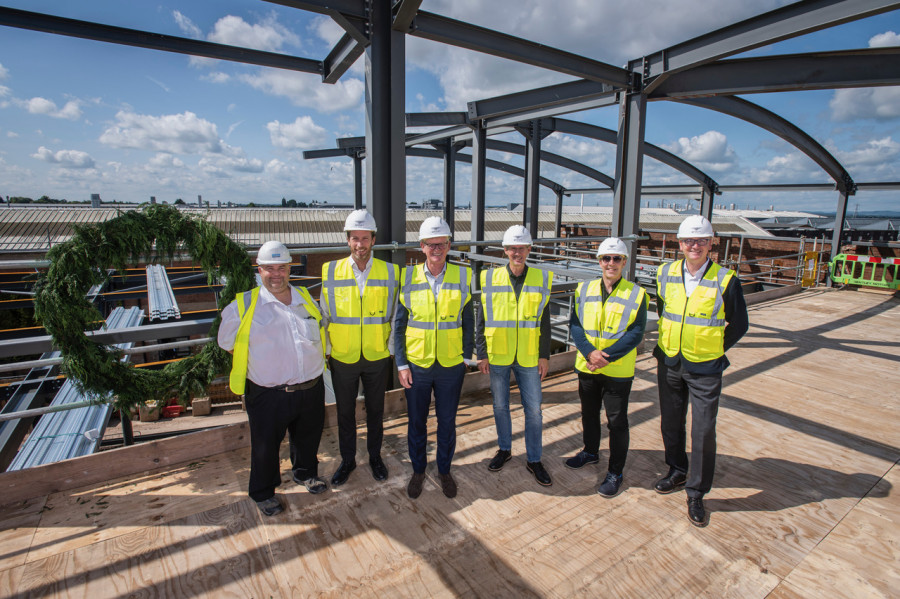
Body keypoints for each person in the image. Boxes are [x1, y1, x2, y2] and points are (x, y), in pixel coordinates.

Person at [218, 240, 328, 517]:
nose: (276, 274)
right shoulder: (244, 305)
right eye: (270, 268)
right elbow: (226, 342)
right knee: (265, 446)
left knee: (308, 438)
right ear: (259, 269)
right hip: (269, 393)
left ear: (290, 268)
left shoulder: (304, 297)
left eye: (282, 267)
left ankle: (305, 474)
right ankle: (263, 492)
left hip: (311, 387)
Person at [654, 215, 748, 527]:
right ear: (679, 244)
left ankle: (696, 491)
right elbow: (662, 308)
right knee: (671, 423)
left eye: (701, 241)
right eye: (688, 241)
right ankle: (677, 470)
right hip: (670, 360)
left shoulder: (725, 279)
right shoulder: (665, 273)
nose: (695, 246)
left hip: (705, 367)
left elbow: (740, 323)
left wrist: (713, 347)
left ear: (711, 244)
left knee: (703, 430)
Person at [395, 216, 474, 499]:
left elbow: (468, 319)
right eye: (431, 244)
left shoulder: (462, 276)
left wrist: (466, 357)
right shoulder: (407, 278)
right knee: (416, 421)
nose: (437, 249)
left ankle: (444, 470)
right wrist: (401, 364)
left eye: (442, 244)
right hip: (417, 364)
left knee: (447, 421)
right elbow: (399, 324)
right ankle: (418, 470)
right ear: (422, 246)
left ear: (449, 245)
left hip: (451, 365)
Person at [320, 209, 398, 487]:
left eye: (365, 238)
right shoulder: (330, 270)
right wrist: (327, 350)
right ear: (348, 239)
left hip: (377, 354)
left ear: (373, 240)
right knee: (344, 412)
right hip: (343, 355)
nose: (360, 244)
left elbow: (394, 313)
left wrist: (390, 350)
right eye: (355, 238)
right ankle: (348, 460)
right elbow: (324, 314)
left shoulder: (390, 272)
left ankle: (375, 456)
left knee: (376, 411)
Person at [565, 237, 648, 498]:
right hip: (588, 366)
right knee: (589, 414)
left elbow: (636, 333)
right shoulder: (583, 289)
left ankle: (615, 471)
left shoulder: (637, 293)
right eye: (605, 258)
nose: (610, 263)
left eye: (616, 259)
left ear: (625, 262)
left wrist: (607, 356)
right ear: (599, 261)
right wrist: (590, 353)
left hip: (617, 370)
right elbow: (576, 325)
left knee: (617, 422)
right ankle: (590, 452)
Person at [476, 225, 554, 486]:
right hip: (498, 352)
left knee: (533, 410)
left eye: (521, 248)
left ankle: (534, 459)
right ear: (505, 250)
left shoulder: (541, 278)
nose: (516, 252)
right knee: (500, 406)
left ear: (529, 249)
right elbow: (481, 318)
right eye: (512, 248)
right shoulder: (490, 278)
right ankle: (505, 450)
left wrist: (545, 355)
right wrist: (482, 353)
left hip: (530, 355)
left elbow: (544, 320)